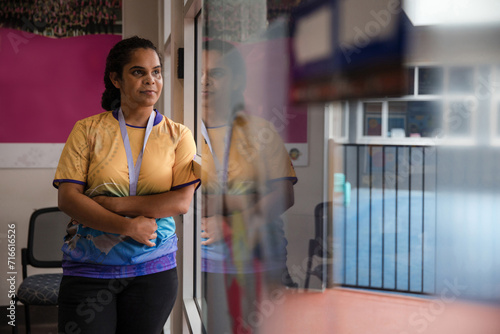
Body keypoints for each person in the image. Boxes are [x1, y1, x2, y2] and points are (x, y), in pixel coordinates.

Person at [53, 36, 200, 334]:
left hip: (153, 269)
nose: (151, 80)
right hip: (90, 269)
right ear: (116, 79)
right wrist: (128, 226)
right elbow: (69, 200)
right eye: (138, 72)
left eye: (156, 72)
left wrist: (114, 204)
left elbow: (180, 202)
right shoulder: (88, 130)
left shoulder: (179, 135)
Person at [200, 39, 297, 333]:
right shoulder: (179, 133)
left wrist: (230, 224)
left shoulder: (260, 131)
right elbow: (183, 199)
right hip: (201, 262)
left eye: (216, 73)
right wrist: (251, 195)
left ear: (237, 80)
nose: (205, 82)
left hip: (259, 256)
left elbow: (283, 195)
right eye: (200, 73)